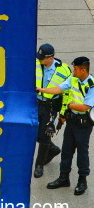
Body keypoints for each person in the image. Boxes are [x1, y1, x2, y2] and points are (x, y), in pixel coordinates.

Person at [39, 56, 94, 196]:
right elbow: (58, 89)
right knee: (66, 150)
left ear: (83, 70)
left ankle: (82, 180)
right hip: (72, 121)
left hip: (83, 123)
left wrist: (70, 106)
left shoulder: (91, 85)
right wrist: (40, 89)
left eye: (75, 69)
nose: (73, 71)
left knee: (82, 152)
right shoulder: (73, 79)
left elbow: (85, 106)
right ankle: (64, 178)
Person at [34, 43, 71, 179]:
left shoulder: (65, 70)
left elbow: (67, 94)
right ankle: (53, 149)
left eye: (42, 58)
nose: (39, 60)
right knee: (34, 132)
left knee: (45, 134)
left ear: (50, 58)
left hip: (51, 106)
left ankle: (39, 164)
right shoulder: (35, 64)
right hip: (35, 103)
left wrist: (63, 113)